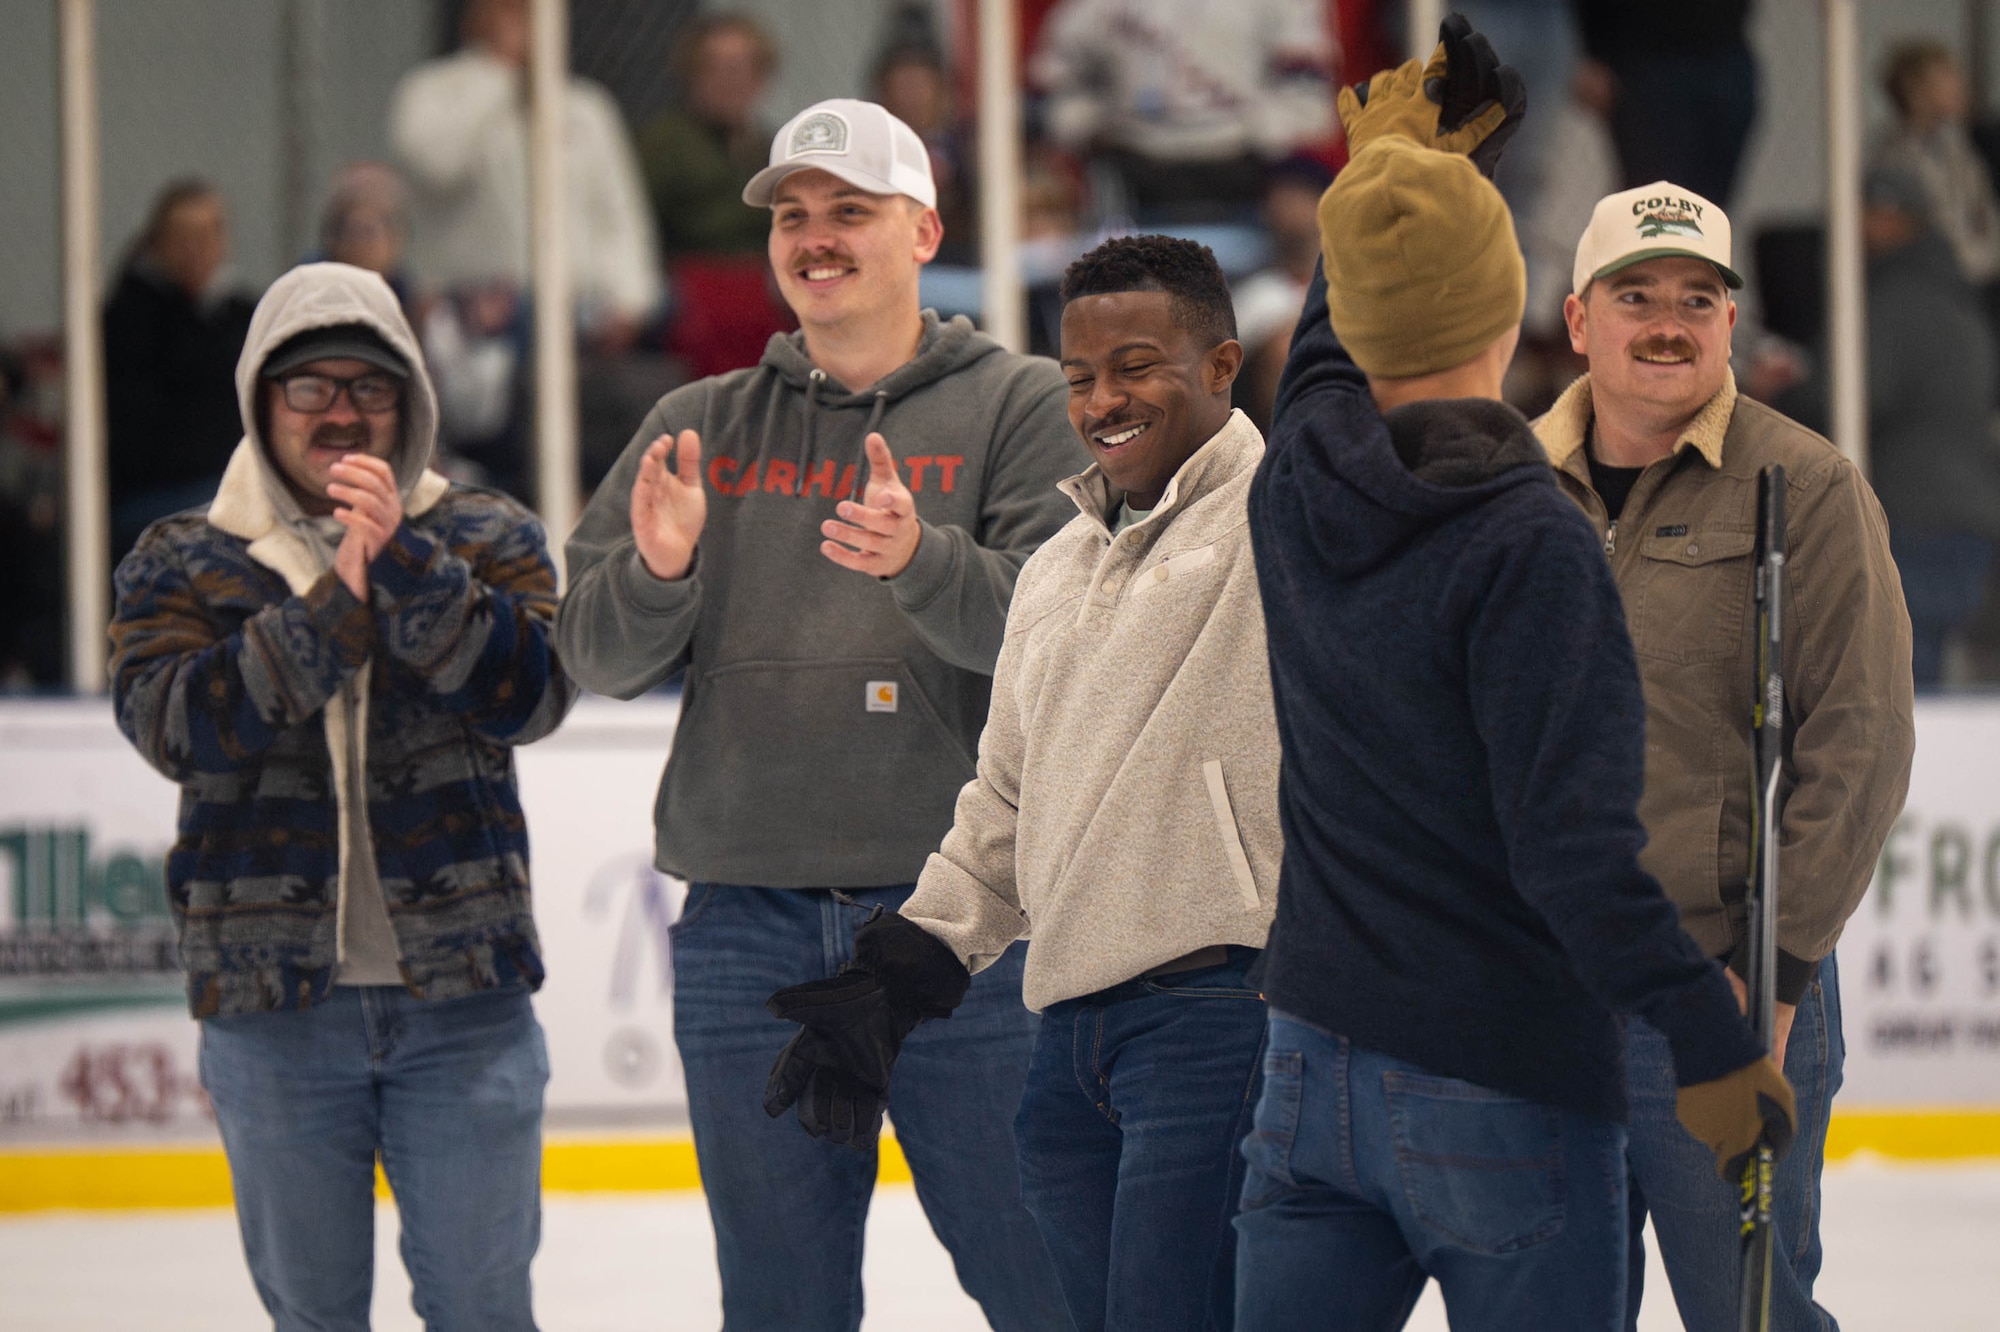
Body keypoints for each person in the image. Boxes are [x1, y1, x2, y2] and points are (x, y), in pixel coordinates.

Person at [1232, 25, 1794, 1330]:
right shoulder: (1529, 542)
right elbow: (1573, 859)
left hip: (1306, 1073)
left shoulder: (1294, 475)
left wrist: (1386, 180)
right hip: (1501, 1087)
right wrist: (1710, 1049)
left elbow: (1332, 348)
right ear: (1515, 309)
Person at [556, 98, 1082, 1332]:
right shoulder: (693, 425)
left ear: (924, 230)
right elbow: (592, 655)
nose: (815, 237)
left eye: (849, 209)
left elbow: (1059, 645)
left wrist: (921, 561)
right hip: (745, 928)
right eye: (792, 215)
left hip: (968, 927)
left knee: (1052, 1288)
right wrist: (660, 572)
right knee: (778, 1307)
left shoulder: (1019, 405)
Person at [764, 234, 1278, 1332]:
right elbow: (1005, 798)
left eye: (1136, 367)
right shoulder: (1055, 566)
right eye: (1080, 377)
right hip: (1068, 1036)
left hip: (1222, 1017)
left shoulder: (1281, 520)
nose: (1103, 402)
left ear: (1222, 365)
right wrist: (903, 970)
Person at [107, 260, 575, 1330]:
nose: (340, 412)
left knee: (484, 1310)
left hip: (467, 1004)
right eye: (309, 386)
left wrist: (406, 566)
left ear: (411, 402)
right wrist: (332, 608)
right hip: (272, 1013)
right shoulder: (180, 557)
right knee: (312, 1316)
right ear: (260, 401)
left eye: (368, 387)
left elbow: (534, 695)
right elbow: (176, 726)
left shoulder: (486, 534)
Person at [1534, 178, 1916, 1330]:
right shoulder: (1504, 483)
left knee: (1749, 1315)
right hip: (1532, 997)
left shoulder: (1803, 486)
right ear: (1576, 319)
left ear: (1729, 322)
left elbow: (1859, 739)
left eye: (1695, 299)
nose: (1667, 322)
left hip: (1718, 989)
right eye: (1635, 295)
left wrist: (1779, 969)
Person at [388, 0, 662, 348]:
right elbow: (438, 166)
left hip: (579, 309)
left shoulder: (586, 107)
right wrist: (497, 70)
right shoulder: (433, 91)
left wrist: (629, 300)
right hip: (472, 311)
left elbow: (616, 211)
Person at [1031, 0, 1336, 223]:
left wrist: (1262, 132)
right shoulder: (1091, 9)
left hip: (1249, 165)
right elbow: (1058, 87)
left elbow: (1309, 102)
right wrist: (1090, 127)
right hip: (1128, 165)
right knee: (1043, 205)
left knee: (1303, 216)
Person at [103, 178, 257, 565]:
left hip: (225, 486)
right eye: (185, 236)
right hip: (156, 497)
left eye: (210, 233)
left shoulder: (239, 313)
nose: (198, 248)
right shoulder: (130, 318)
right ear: (157, 243)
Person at [636, 12, 779, 259]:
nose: (732, 81)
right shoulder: (662, 144)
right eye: (718, 68)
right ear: (692, 74)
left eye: (743, 68)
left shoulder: (768, 147)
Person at [1873, 40, 2000, 295]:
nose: (1959, 85)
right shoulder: (1893, 157)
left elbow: (1983, 213)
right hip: (1931, 280)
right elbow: (1927, 227)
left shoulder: (1959, 148)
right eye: (1946, 76)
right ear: (1917, 90)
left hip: (1981, 270)